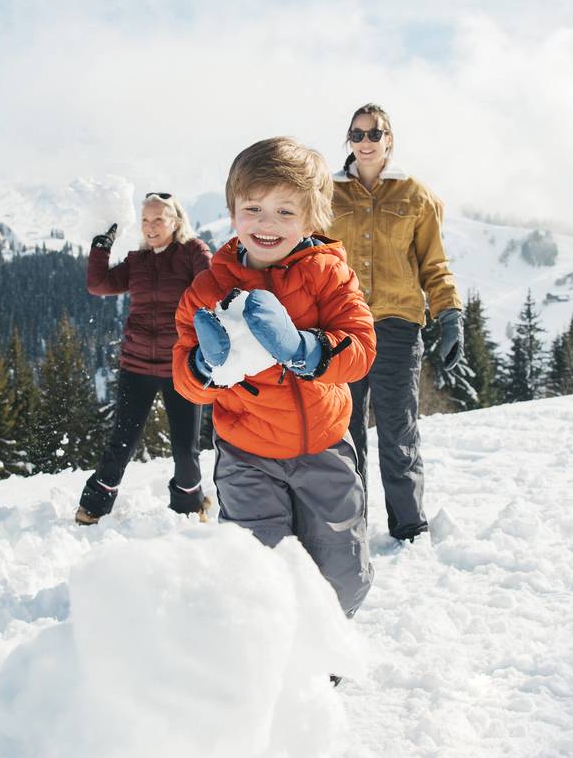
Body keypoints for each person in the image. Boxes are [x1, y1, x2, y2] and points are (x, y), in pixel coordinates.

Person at [172, 138, 376, 617]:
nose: (267, 224)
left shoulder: (328, 274)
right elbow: (184, 378)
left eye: (286, 212)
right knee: (255, 572)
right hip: (248, 455)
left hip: (324, 447)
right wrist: (206, 367)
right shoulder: (208, 289)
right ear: (232, 210)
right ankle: (270, 665)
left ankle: (324, 658)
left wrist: (305, 349)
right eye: (254, 208)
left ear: (312, 218)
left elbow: (361, 348)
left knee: (344, 576)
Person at [327, 103, 463, 543]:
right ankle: (350, 526)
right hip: (342, 326)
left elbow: (434, 264)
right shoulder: (328, 194)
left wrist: (450, 314)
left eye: (374, 133)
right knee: (343, 431)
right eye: (357, 134)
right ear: (349, 140)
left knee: (397, 428)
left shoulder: (416, 195)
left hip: (398, 326)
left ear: (389, 140)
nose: (365, 142)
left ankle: (408, 526)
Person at [75, 192, 213, 525]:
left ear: (175, 221)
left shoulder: (192, 253)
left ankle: (189, 508)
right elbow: (99, 284)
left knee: (184, 448)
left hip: (180, 365)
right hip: (136, 365)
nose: (151, 227)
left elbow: (211, 286)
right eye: (146, 220)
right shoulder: (137, 261)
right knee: (121, 442)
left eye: (158, 219)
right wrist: (101, 247)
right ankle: (92, 508)